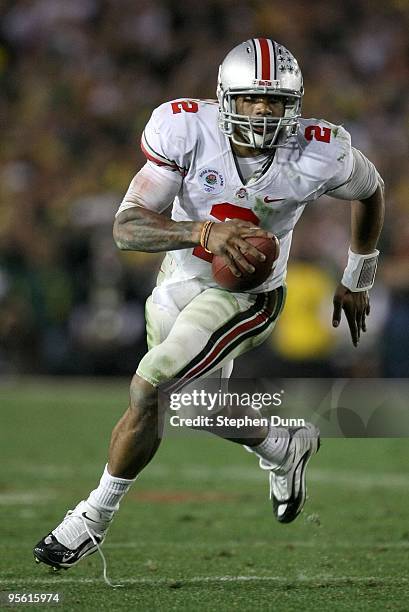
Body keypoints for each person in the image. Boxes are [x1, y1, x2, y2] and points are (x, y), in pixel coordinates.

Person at [33, 38, 384, 576]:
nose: (263, 111)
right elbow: (127, 228)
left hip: (247, 295)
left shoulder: (321, 149)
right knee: (191, 405)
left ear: (295, 104)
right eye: (250, 100)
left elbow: (371, 189)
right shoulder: (183, 128)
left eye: (275, 101)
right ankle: (282, 445)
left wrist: (359, 273)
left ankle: (92, 516)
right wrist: (202, 231)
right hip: (180, 280)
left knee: (150, 385)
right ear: (224, 98)